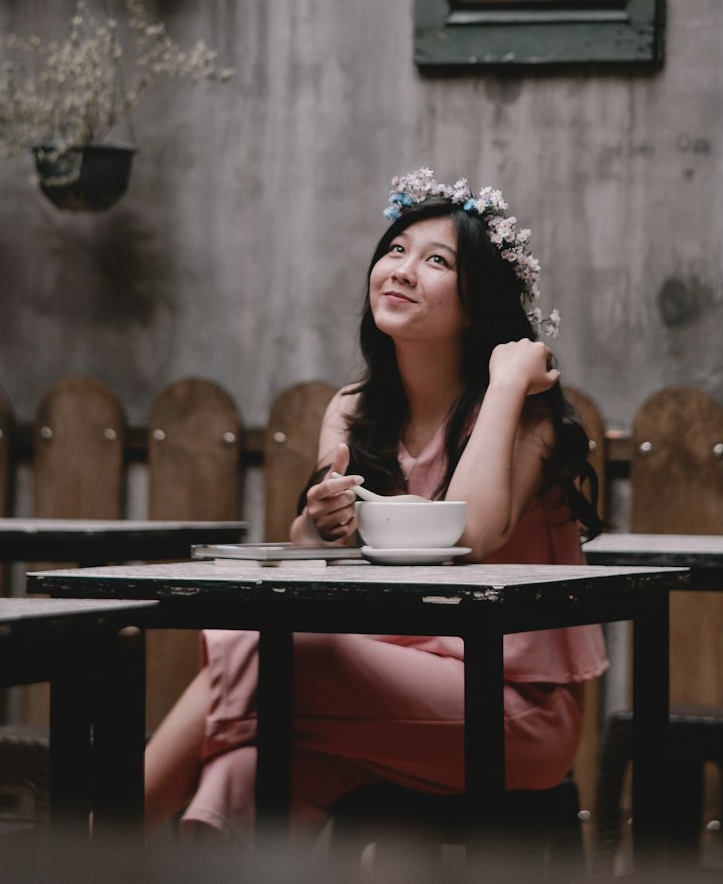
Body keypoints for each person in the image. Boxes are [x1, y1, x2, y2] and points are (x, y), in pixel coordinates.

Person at [143, 168, 607, 840]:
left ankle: (101, 840)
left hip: (511, 709)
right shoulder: (352, 412)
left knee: (275, 650)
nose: (402, 270)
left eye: (436, 260)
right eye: (395, 250)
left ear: (479, 305)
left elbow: (470, 534)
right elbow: (334, 567)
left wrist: (506, 382)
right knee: (239, 774)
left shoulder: (523, 419)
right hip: (380, 689)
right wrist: (311, 535)